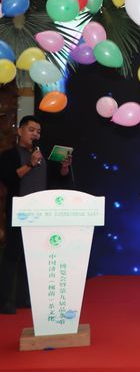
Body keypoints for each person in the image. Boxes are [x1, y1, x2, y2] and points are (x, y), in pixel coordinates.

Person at [0, 115, 72, 314]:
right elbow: (8, 178)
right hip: (19, 212)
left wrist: (64, 167)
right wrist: (30, 164)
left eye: (38, 131)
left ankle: (24, 298)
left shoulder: (42, 156)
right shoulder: (10, 155)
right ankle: (5, 300)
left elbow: (58, 178)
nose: (35, 134)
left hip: (40, 214)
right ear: (20, 131)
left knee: (32, 257)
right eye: (31, 130)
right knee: (12, 256)